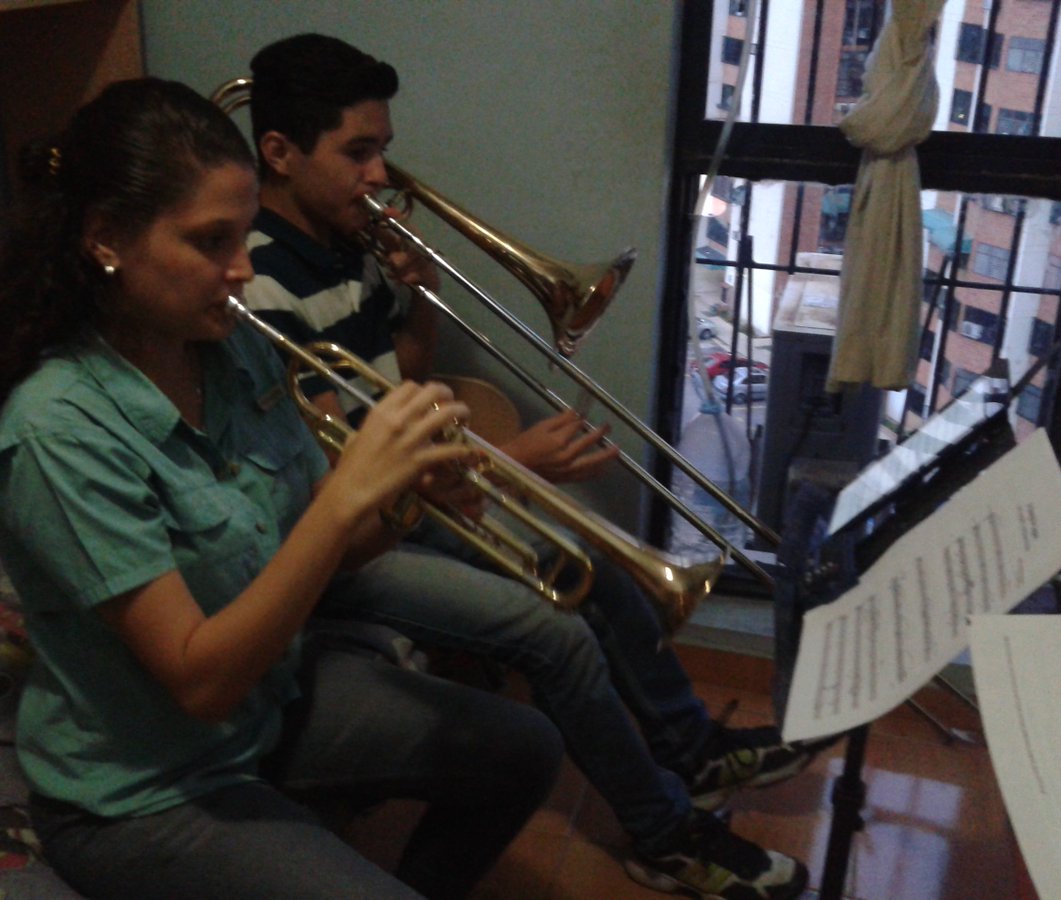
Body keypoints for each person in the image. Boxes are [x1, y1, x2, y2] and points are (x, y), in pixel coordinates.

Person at [0, 77, 566, 900]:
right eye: (210, 242)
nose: (242, 270)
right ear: (106, 240)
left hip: (263, 711)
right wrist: (346, 503)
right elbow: (201, 682)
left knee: (527, 748)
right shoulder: (55, 432)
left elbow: (316, 551)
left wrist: (410, 500)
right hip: (147, 791)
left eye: (246, 236)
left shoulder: (231, 352)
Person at [241, 33, 826, 900]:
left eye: (383, 151)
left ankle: (690, 751)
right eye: (357, 152)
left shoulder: (341, 245)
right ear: (279, 154)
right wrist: (505, 461)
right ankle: (664, 835)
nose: (379, 175)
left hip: (412, 493)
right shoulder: (256, 283)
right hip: (345, 544)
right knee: (553, 630)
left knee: (603, 565)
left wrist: (416, 303)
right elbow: (336, 478)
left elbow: (395, 380)